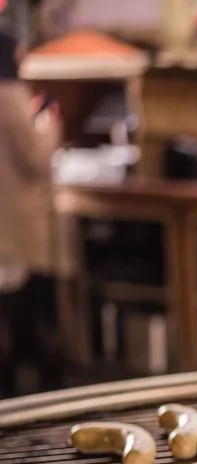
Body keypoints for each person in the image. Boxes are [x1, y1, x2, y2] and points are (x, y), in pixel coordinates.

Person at [0, 22, 63, 394]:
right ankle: (41, 391)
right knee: (33, 309)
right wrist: (51, 123)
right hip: (18, 223)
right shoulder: (9, 95)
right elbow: (36, 159)